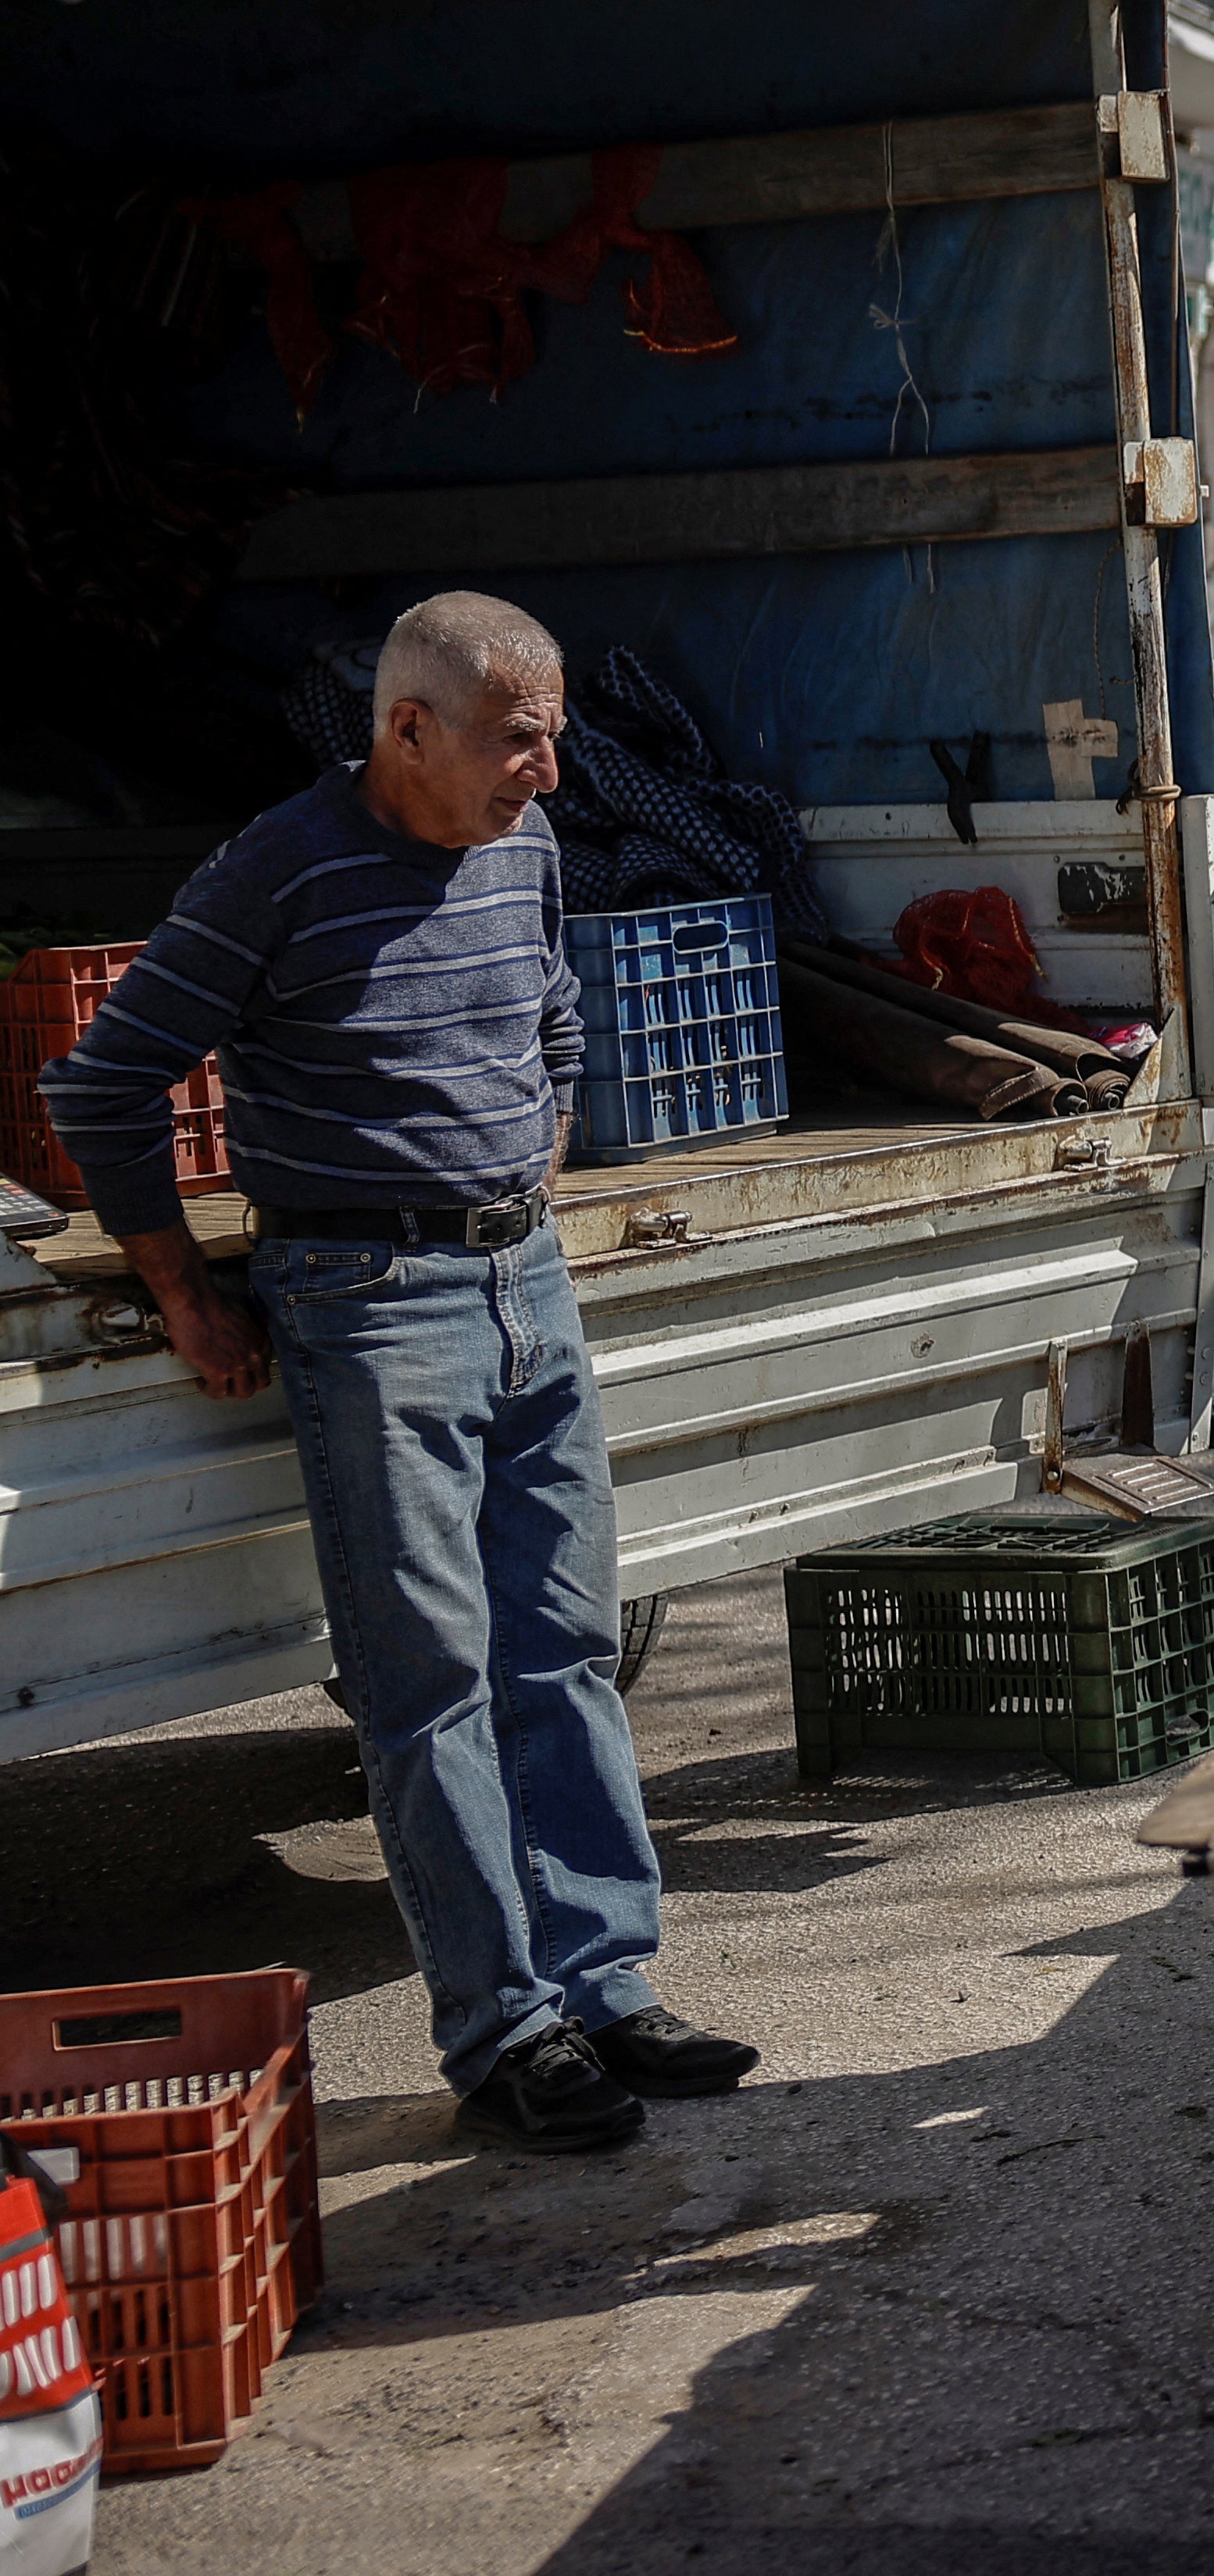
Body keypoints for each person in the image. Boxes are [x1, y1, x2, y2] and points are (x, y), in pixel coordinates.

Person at [41, 594, 758, 2156]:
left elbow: (556, 1019)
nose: (547, 773)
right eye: (518, 739)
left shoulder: (523, 842)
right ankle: (506, 2029)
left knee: (563, 1645)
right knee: (428, 1680)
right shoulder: (276, 869)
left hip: (525, 1282)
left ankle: (608, 1981)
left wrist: (528, 1177)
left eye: (554, 737)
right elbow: (104, 1085)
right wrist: (178, 1286)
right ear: (405, 730)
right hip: (365, 1298)